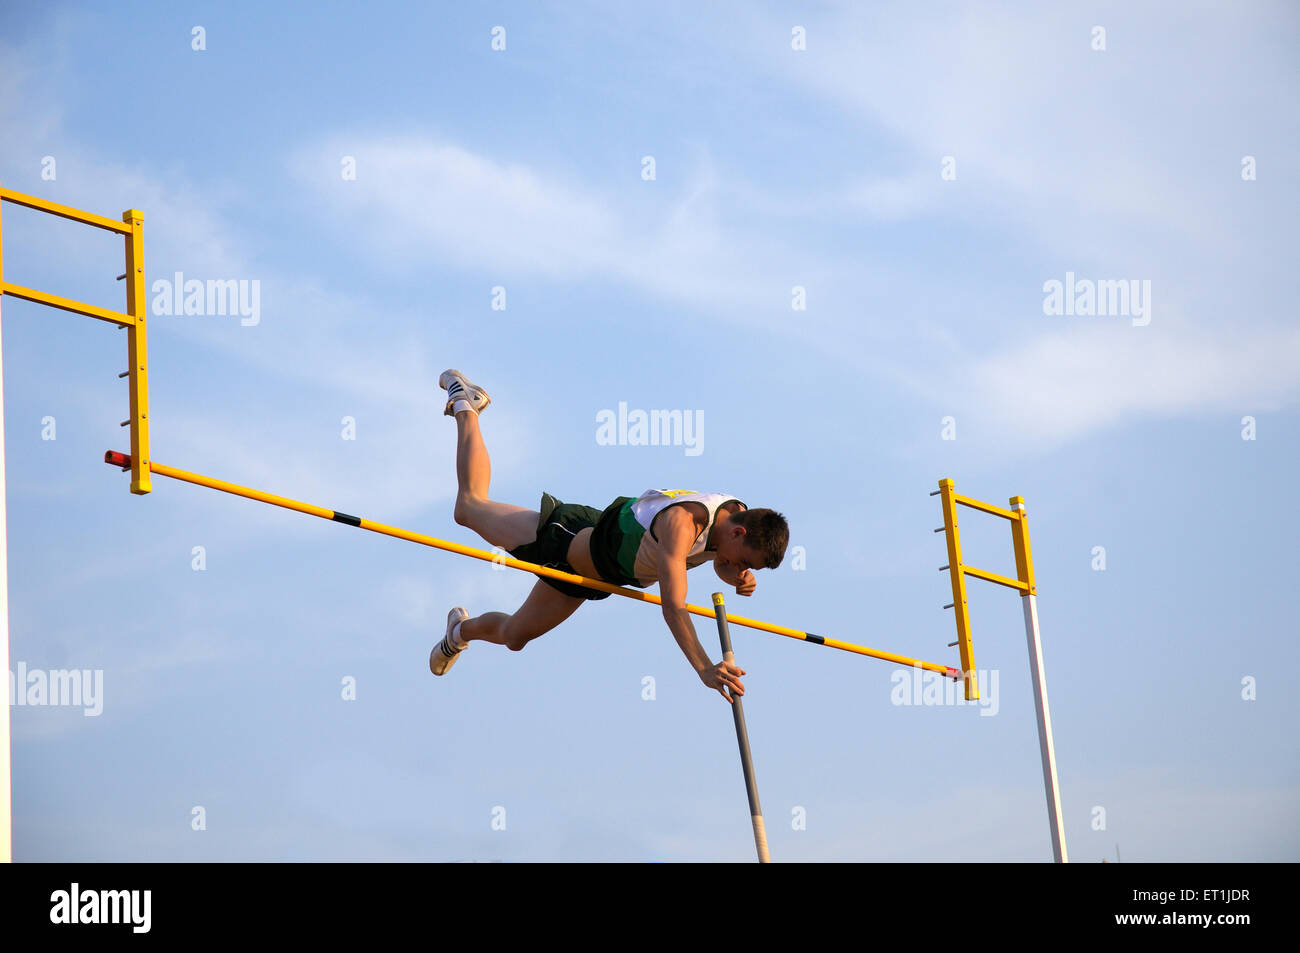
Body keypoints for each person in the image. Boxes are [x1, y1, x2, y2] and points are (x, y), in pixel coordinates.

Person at [430, 370, 789, 704]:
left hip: (590, 578)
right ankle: (466, 405)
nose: (739, 567)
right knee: (469, 508)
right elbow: (674, 606)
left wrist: (736, 576)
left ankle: (459, 632)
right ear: (739, 532)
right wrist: (704, 668)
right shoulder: (681, 524)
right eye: (744, 561)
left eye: (745, 566)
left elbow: (721, 560)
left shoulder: (734, 520)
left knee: (514, 638)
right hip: (565, 539)